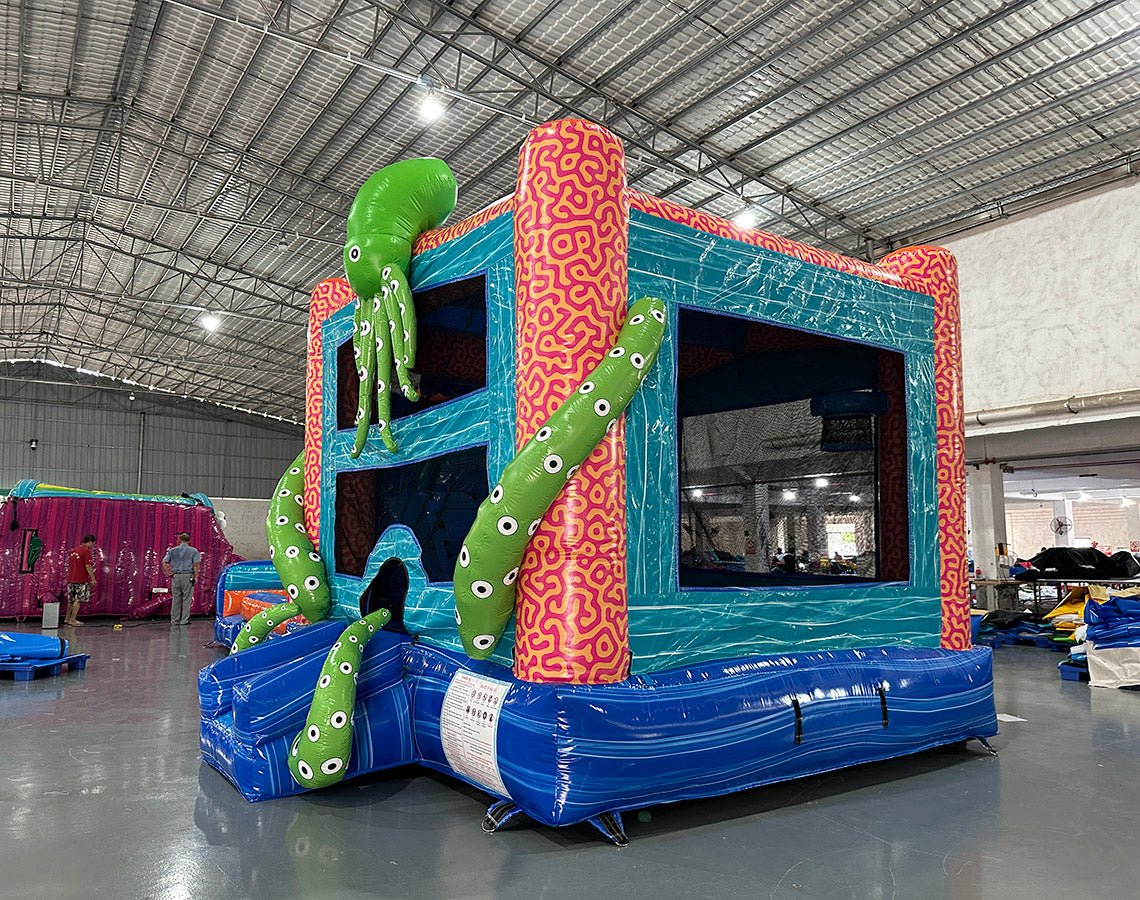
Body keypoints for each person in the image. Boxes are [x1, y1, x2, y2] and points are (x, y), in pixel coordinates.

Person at [163, 532, 201, 626]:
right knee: (187, 599)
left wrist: (169, 573)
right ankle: (184, 620)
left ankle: (174, 620)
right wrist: (196, 576)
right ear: (189, 540)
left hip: (175, 576)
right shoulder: (194, 551)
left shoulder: (172, 551)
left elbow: (164, 562)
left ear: (179, 540)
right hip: (188, 576)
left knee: (176, 599)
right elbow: (195, 565)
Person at [64, 534, 97, 626]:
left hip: (71, 579)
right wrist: (93, 578)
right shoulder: (86, 552)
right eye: (93, 544)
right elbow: (88, 566)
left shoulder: (73, 551)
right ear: (89, 542)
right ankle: (73, 620)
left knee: (71, 600)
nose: (92, 546)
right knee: (78, 600)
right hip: (80, 579)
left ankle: (67, 618)